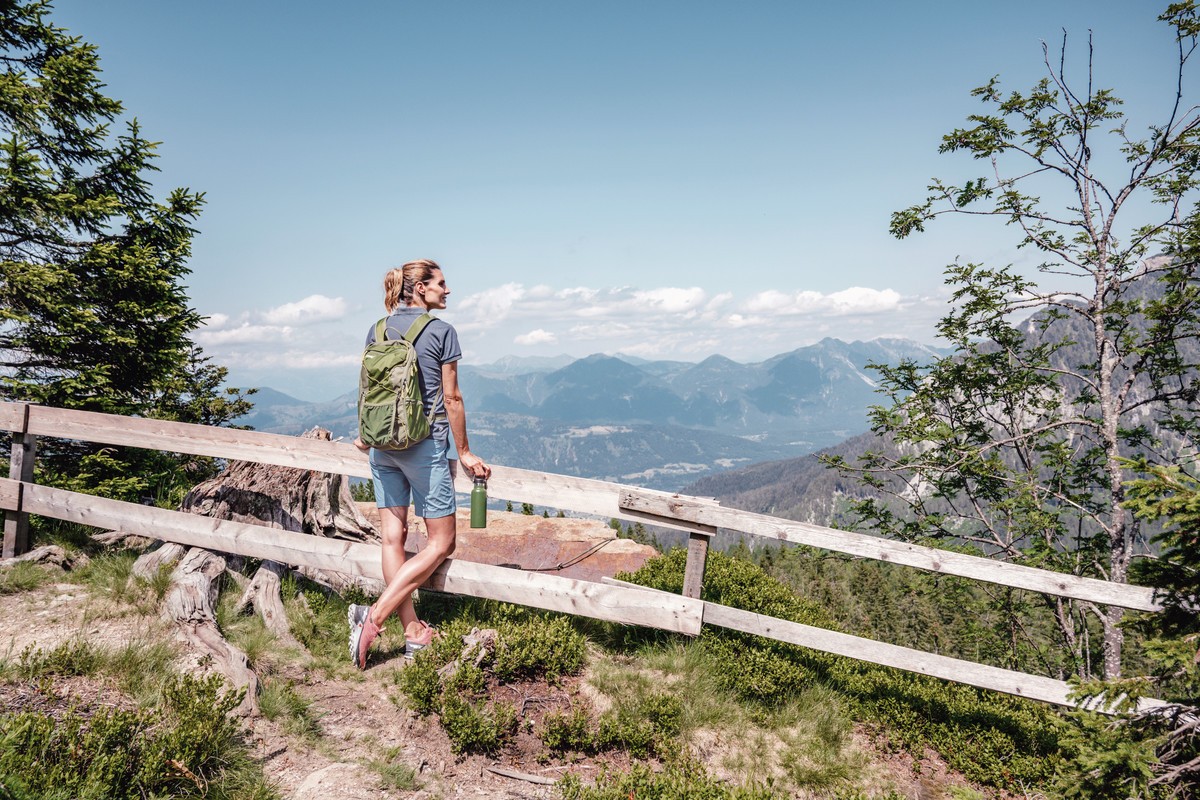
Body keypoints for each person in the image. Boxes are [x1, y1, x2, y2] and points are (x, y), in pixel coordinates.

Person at [348, 259, 491, 669]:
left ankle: (412, 632)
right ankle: (373, 618)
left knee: (393, 538)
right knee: (442, 542)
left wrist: (365, 432)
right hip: (425, 447)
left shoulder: (376, 330)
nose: (447, 291)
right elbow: (452, 399)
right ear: (420, 289)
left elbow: (368, 387)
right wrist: (463, 452)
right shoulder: (442, 332)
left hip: (381, 448)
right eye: (441, 284)